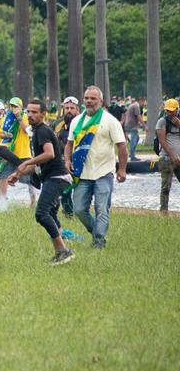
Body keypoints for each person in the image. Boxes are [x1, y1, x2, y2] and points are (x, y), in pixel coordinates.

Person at [8, 99, 75, 265]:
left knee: (41, 214)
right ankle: (63, 247)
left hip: (57, 178)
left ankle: (63, 251)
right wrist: (19, 173)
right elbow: (40, 163)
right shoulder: (37, 131)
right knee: (50, 213)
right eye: (28, 112)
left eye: (34, 112)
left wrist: (26, 162)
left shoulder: (43, 130)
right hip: (54, 178)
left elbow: (49, 154)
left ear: (43, 114)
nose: (30, 115)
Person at [64, 86, 127, 249]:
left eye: (93, 99)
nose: (89, 101)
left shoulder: (110, 121)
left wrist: (122, 169)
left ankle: (99, 241)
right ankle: (96, 232)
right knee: (78, 209)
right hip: (82, 174)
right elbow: (69, 144)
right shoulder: (76, 121)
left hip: (104, 173)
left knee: (102, 209)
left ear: (101, 101)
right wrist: (67, 161)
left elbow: (121, 146)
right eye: (87, 98)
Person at [0, 97, 34, 202]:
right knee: (3, 175)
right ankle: (2, 200)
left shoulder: (26, 116)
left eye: (15, 106)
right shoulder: (7, 118)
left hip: (24, 153)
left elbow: (27, 131)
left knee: (29, 178)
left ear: (21, 107)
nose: (13, 108)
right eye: (11, 106)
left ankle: (33, 200)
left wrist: (19, 117)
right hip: (9, 152)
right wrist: (7, 135)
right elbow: (1, 134)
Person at [53, 96, 80, 217]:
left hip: (81, 161)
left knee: (81, 190)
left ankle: (81, 212)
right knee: (65, 190)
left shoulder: (83, 122)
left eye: (72, 108)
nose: (69, 110)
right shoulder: (57, 124)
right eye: (66, 108)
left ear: (77, 109)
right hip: (63, 162)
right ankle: (69, 214)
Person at [156, 98, 180, 213]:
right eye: (167, 110)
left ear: (177, 109)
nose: (169, 113)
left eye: (172, 111)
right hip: (167, 159)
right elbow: (162, 141)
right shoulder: (162, 121)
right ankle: (163, 211)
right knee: (166, 187)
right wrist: (173, 155)